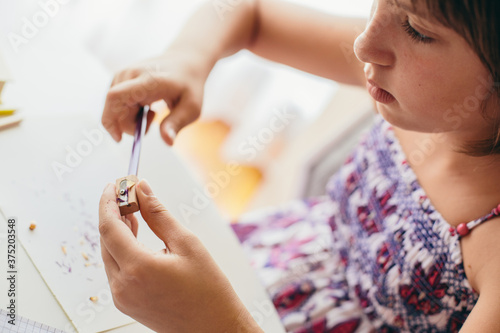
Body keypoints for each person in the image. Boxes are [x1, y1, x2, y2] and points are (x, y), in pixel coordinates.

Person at [98, 0, 500, 331]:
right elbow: (249, 13)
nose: (363, 44)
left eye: (416, 29)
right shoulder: (398, 69)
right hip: (251, 263)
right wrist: (188, 56)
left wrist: (206, 321)